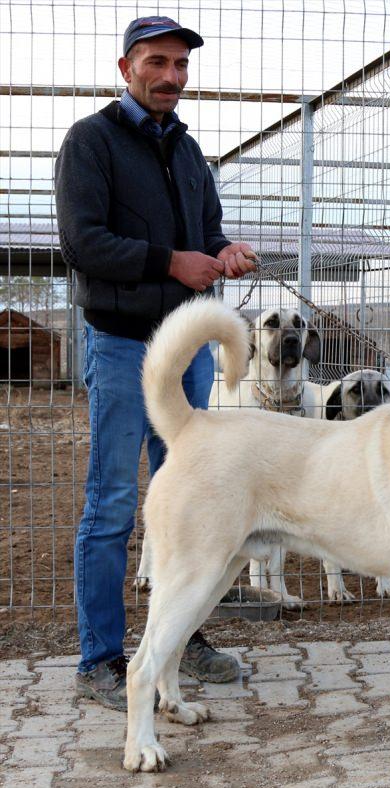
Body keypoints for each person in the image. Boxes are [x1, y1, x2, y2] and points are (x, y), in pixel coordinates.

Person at [54, 16, 258, 710]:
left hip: (189, 351)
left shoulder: (189, 149)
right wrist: (172, 260)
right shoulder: (92, 141)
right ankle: (100, 659)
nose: (172, 76)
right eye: (158, 62)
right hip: (121, 346)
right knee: (111, 504)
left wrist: (223, 251)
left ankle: (179, 639)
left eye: (180, 65)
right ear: (126, 66)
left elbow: (207, 233)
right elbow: (83, 243)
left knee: (196, 504)